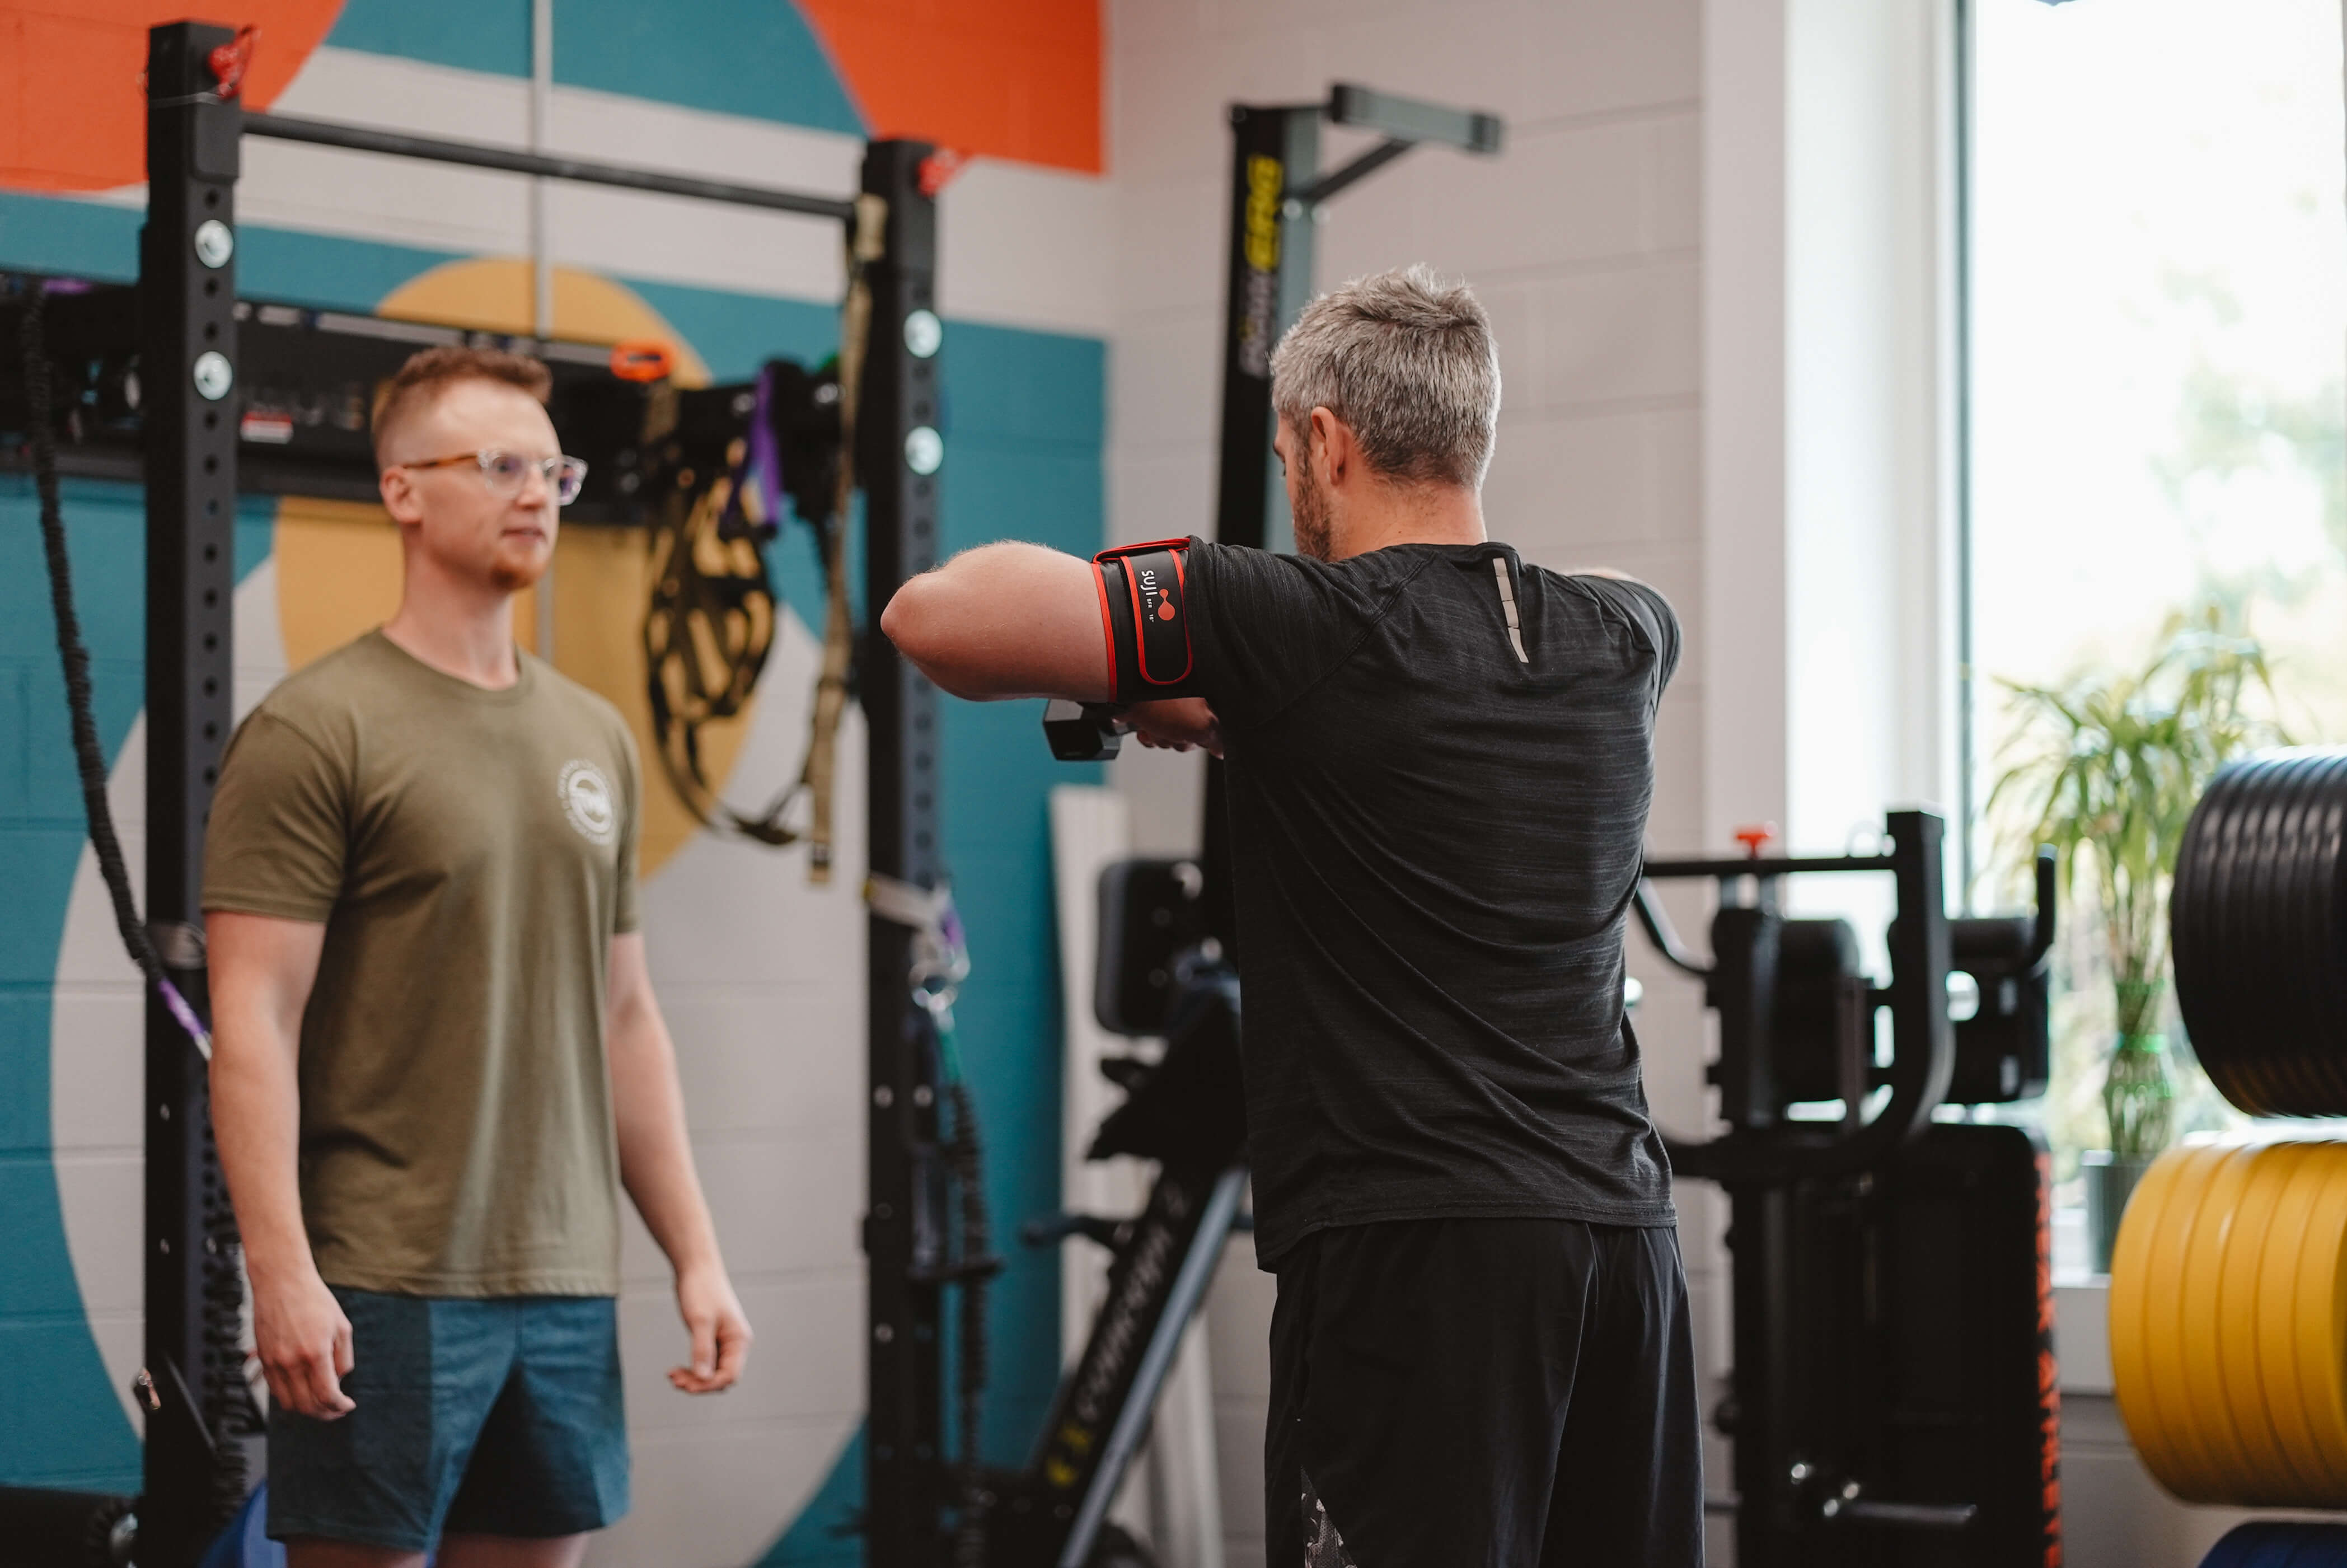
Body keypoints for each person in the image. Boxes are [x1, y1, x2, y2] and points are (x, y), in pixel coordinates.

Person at [881, 266, 1702, 1565]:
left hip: (1418, 1254)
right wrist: (1256, 717)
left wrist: (1199, 677)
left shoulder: (1296, 623)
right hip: (1624, 1249)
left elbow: (934, 617)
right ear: (1473, 433)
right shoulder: (1619, 638)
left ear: (1325, 441)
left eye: (1286, 456)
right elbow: (1495, 654)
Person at [204, 345, 753, 1567]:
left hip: (563, 1279)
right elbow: (253, 1018)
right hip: (384, 1279)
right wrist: (280, 1271)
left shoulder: (594, 735)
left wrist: (696, 1256)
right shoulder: (316, 730)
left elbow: (625, 1018)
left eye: (553, 471)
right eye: (500, 465)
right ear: (402, 489)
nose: (536, 494)